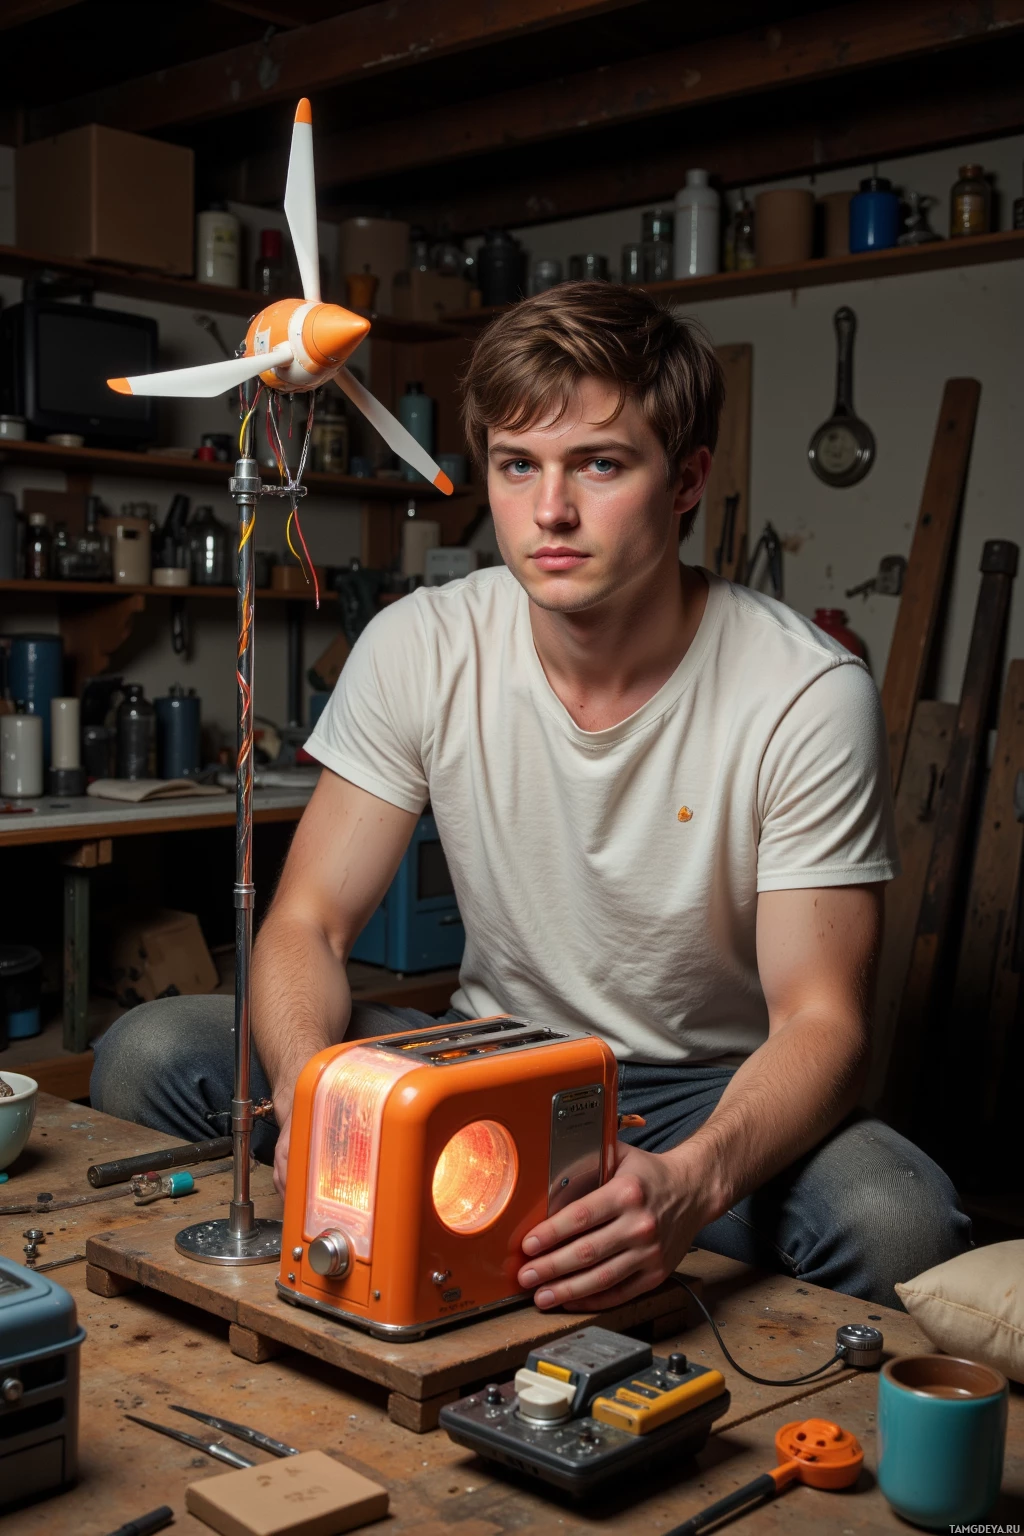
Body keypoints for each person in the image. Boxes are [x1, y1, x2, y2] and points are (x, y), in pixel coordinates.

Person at [92, 282, 970, 1309]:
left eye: (598, 464)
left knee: (896, 1218)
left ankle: (626, 1261)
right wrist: (313, 1095)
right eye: (518, 466)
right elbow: (309, 925)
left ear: (685, 481)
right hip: (482, 1058)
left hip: (700, 1092)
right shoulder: (423, 642)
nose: (550, 510)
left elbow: (822, 1024)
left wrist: (691, 1185)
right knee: (153, 1053)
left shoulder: (805, 693)